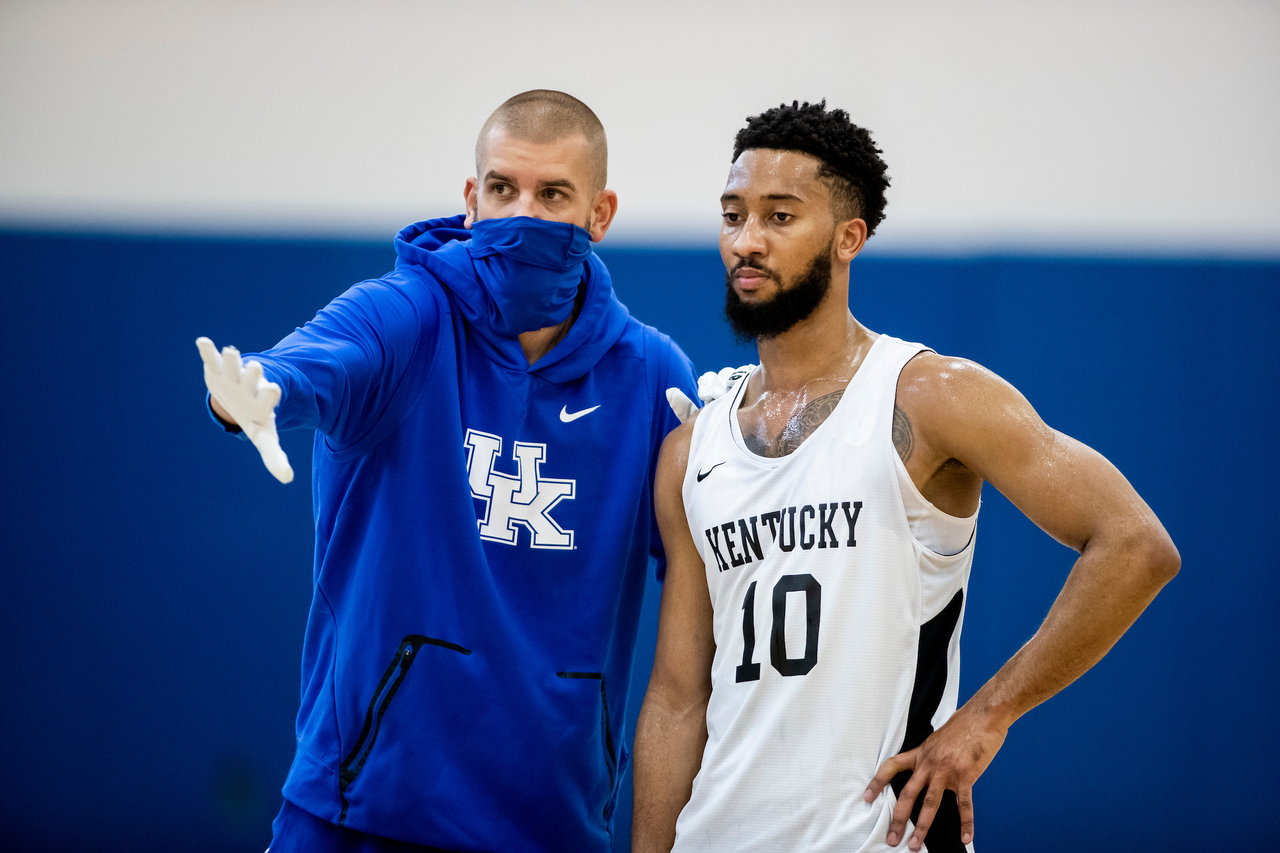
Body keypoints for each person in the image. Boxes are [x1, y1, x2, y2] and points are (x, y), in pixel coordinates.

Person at [631, 101, 1179, 853]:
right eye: (733, 216)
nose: (747, 240)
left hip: (877, 836)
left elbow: (1136, 544)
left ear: (848, 237)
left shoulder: (929, 396)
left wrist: (988, 715)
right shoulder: (691, 449)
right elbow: (676, 696)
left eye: (780, 216)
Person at [196, 90, 697, 853]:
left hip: (551, 827)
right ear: (471, 198)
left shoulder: (652, 376)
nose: (522, 214)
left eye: (552, 195)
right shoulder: (407, 317)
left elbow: (720, 586)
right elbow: (308, 364)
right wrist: (257, 394)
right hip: (357, 811)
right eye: (503, 188)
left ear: (600, 213)